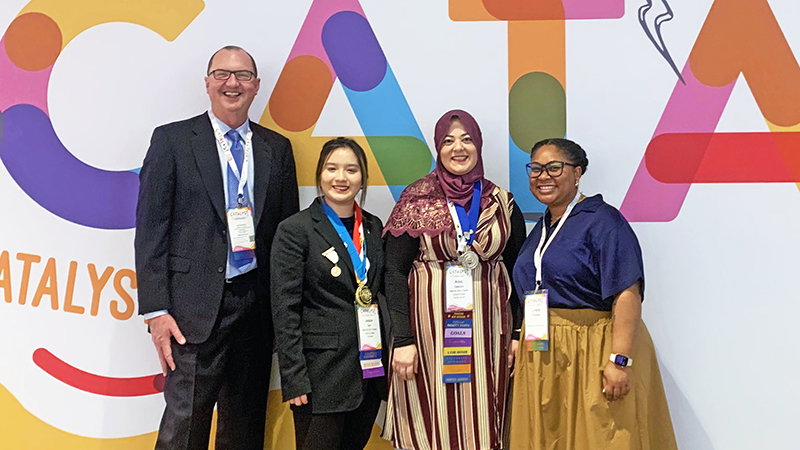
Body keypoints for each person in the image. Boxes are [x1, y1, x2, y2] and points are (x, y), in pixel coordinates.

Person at [134, 45, 299, 450]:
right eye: (222, 74)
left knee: (243, 431)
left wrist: (282, 315)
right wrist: (156, 311)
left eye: (242, 75)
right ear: (207, 83)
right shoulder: (172, 140)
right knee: (183, 429)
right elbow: (151, 228)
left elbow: (284, 240)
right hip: (191, 312)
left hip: (255, 312)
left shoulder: (276, 149)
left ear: (256, 86)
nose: (232, 83)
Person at [509, 138, 677, 450]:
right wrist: (520, 337)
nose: (543, 176)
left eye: (554, 167)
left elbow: (627, 293)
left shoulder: (604, 221)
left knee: (602, 436)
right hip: (546, 350)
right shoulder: (543, 225)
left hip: (593, 348)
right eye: (535, 169)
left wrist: (619, 360)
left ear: (577, 173)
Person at [382, 110, 526, 450]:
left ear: (478, 145)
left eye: (466, 140)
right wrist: (403, 340)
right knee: (433, 422)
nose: (458, 148)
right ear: (437, 147)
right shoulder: (416, 199)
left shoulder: (502, 203)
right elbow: (393, 271)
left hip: (489, 337)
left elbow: (520, 271)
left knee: (483, 419)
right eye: (448, 141)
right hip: (427, 336)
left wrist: (519, 333)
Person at [271, 137, 388, 450]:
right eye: (332, 168)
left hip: (368, 372)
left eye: (351, 170)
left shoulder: (375, 228)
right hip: (320, 377)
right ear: (320, 175)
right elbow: (285, 309)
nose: (341, 177)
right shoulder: (296, 229)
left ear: (362, 177)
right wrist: (294, 378)